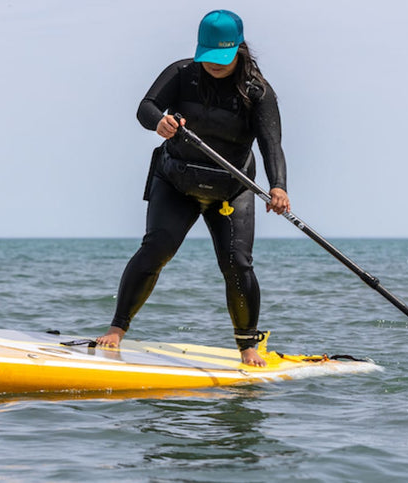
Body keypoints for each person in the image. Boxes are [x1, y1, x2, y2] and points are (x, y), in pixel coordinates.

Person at [96, 9, 290, 367]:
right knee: (156, 248)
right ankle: (116, 329)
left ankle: (248, 345)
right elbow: (146, 107)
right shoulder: (183, 74)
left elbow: (271, 144)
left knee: (237, 263)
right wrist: (160, 122)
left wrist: (278, 187)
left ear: (238, 50)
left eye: (221, 58)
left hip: (231, 190)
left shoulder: (257, 92)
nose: (212, 65)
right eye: (208, 57)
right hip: (175, 180)